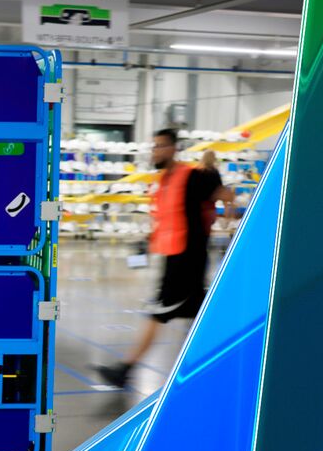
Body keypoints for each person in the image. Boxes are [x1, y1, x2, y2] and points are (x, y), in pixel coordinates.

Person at [97, 129, 233, 390]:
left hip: (186, 261)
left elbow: (223, 194)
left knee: (158, 314)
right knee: (201, 313)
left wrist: (227, 209)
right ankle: (217, 363)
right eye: (154, 146)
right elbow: (164, 218)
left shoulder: (191, 176)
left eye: (160, 146)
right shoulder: (164, 181)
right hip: (174, 257)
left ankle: (125, 370)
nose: (155, 151)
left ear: (173, 148)